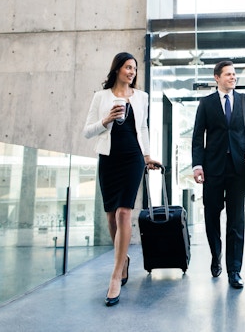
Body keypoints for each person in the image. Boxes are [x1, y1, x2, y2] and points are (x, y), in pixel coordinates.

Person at [83, 52, 161, 307]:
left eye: (134, 69)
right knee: (110, 216)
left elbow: (143, 127)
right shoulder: (101, 97)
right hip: (109, 159)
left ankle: (116, 275)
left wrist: (147, 155)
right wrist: (106, 120)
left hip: (133, 158)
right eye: (128, 67)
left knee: (124, 213)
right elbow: (87, 131)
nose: (132, 72)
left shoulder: (141, 97)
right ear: (117, 69)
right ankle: (123, 258)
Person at [192, 60, 245, 289]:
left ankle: (234, 270)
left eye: (234, 74)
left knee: (236, 220)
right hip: (212, 169)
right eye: (228, 74)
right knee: (211, 216)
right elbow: (197, 137)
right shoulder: (206, 103)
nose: (233, 77)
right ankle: (216, 255)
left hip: (238, 168)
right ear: (217, 77)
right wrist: (197, 165)